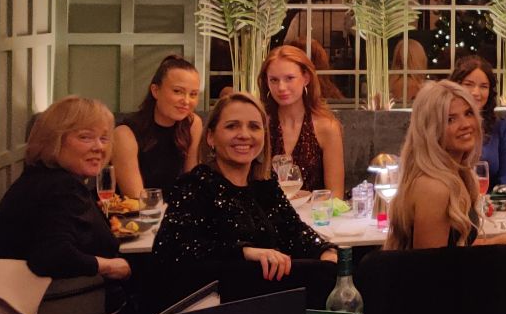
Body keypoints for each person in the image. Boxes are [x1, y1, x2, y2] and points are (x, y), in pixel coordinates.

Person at [154, 92, 336, 280]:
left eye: (254, 127)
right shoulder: (195, 185)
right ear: (210, 137)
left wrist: (325, 251)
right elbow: (171, 251)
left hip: (269, 289)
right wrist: (244, 251)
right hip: (222, 294)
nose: (244, 135)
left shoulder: (265, 184)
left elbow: (294, 231)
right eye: (232, 126)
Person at [0, 96, 130, 282]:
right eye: (85, 137)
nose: (99, 147)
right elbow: (52, 256)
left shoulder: (41, 177)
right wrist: (110, 266)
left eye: (104, 138)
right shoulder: (62, 187)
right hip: (59, 299)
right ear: (54, 140)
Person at [386, 80, 506, 257]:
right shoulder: (434, 187)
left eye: (468, 113)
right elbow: (430, 267)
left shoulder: (459, 174)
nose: (465, 124)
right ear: (431, 130)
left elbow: (455, 247)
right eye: (450, 119)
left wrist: (499, 241)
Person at [112, 54, 202, 201]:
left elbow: (191, 182)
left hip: (177, 209)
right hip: (138, 211)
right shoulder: (125, 133)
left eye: (193, 94)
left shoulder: (192, 124)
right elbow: (136, 198)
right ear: (155, 91)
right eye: (177, 91)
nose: (186, 101)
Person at [261, 44, 345, 198]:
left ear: (306, 78)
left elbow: (336, 195)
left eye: (289, 78)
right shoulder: (260, 125)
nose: (281, 87)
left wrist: (307, 200)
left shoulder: (326, 127)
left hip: (316, 212)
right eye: (274, 80)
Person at [452, 54, 506, 187]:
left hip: (490, 197)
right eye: (468, 84)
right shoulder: (441, 124)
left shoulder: (502, 128)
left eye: (483, 86)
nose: (476, 92)